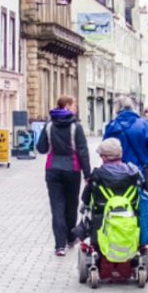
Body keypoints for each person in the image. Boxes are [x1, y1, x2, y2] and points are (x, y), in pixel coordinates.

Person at [37, 95, 91, 256]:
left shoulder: (49, 125)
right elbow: (82, 151)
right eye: (74, 105)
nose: (76, 108)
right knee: (71, 205)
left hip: (52, 169)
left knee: (57, 206)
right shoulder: (76, 127)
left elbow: (41, 148)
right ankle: (70, 238)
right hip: (72, 169)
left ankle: (59, 245)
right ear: (67, 106)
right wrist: (87, 174)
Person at [75, 138, 143, 241]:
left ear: (105, 157)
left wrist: (85, 207)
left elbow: (86, 198)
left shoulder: (97, 174)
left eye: (101, 155)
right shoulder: (133, 172)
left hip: (102, 221)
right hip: (130, 217)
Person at [103, 96, 148, 174]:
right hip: (138, 170)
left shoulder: (112, 126)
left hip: (116, 171)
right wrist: (144, 158)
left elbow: (105, 150)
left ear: (117, 109)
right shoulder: (143, 125)